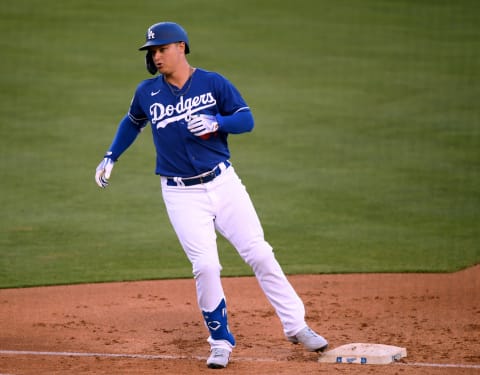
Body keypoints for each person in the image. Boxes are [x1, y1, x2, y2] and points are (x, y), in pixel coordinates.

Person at [95, 21, 328, 369]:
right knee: (205, 266)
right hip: (180, 193)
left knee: (260, 254)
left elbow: (246, 119)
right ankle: (220, 341)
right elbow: (132, 122)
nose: (156, 56)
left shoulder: (212, 82)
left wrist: (217, 122)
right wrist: (112, 155)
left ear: (181, 47)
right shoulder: (147, 92)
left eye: (161, 49)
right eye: (152, 51)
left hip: (224, 184)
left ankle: (296, 326)